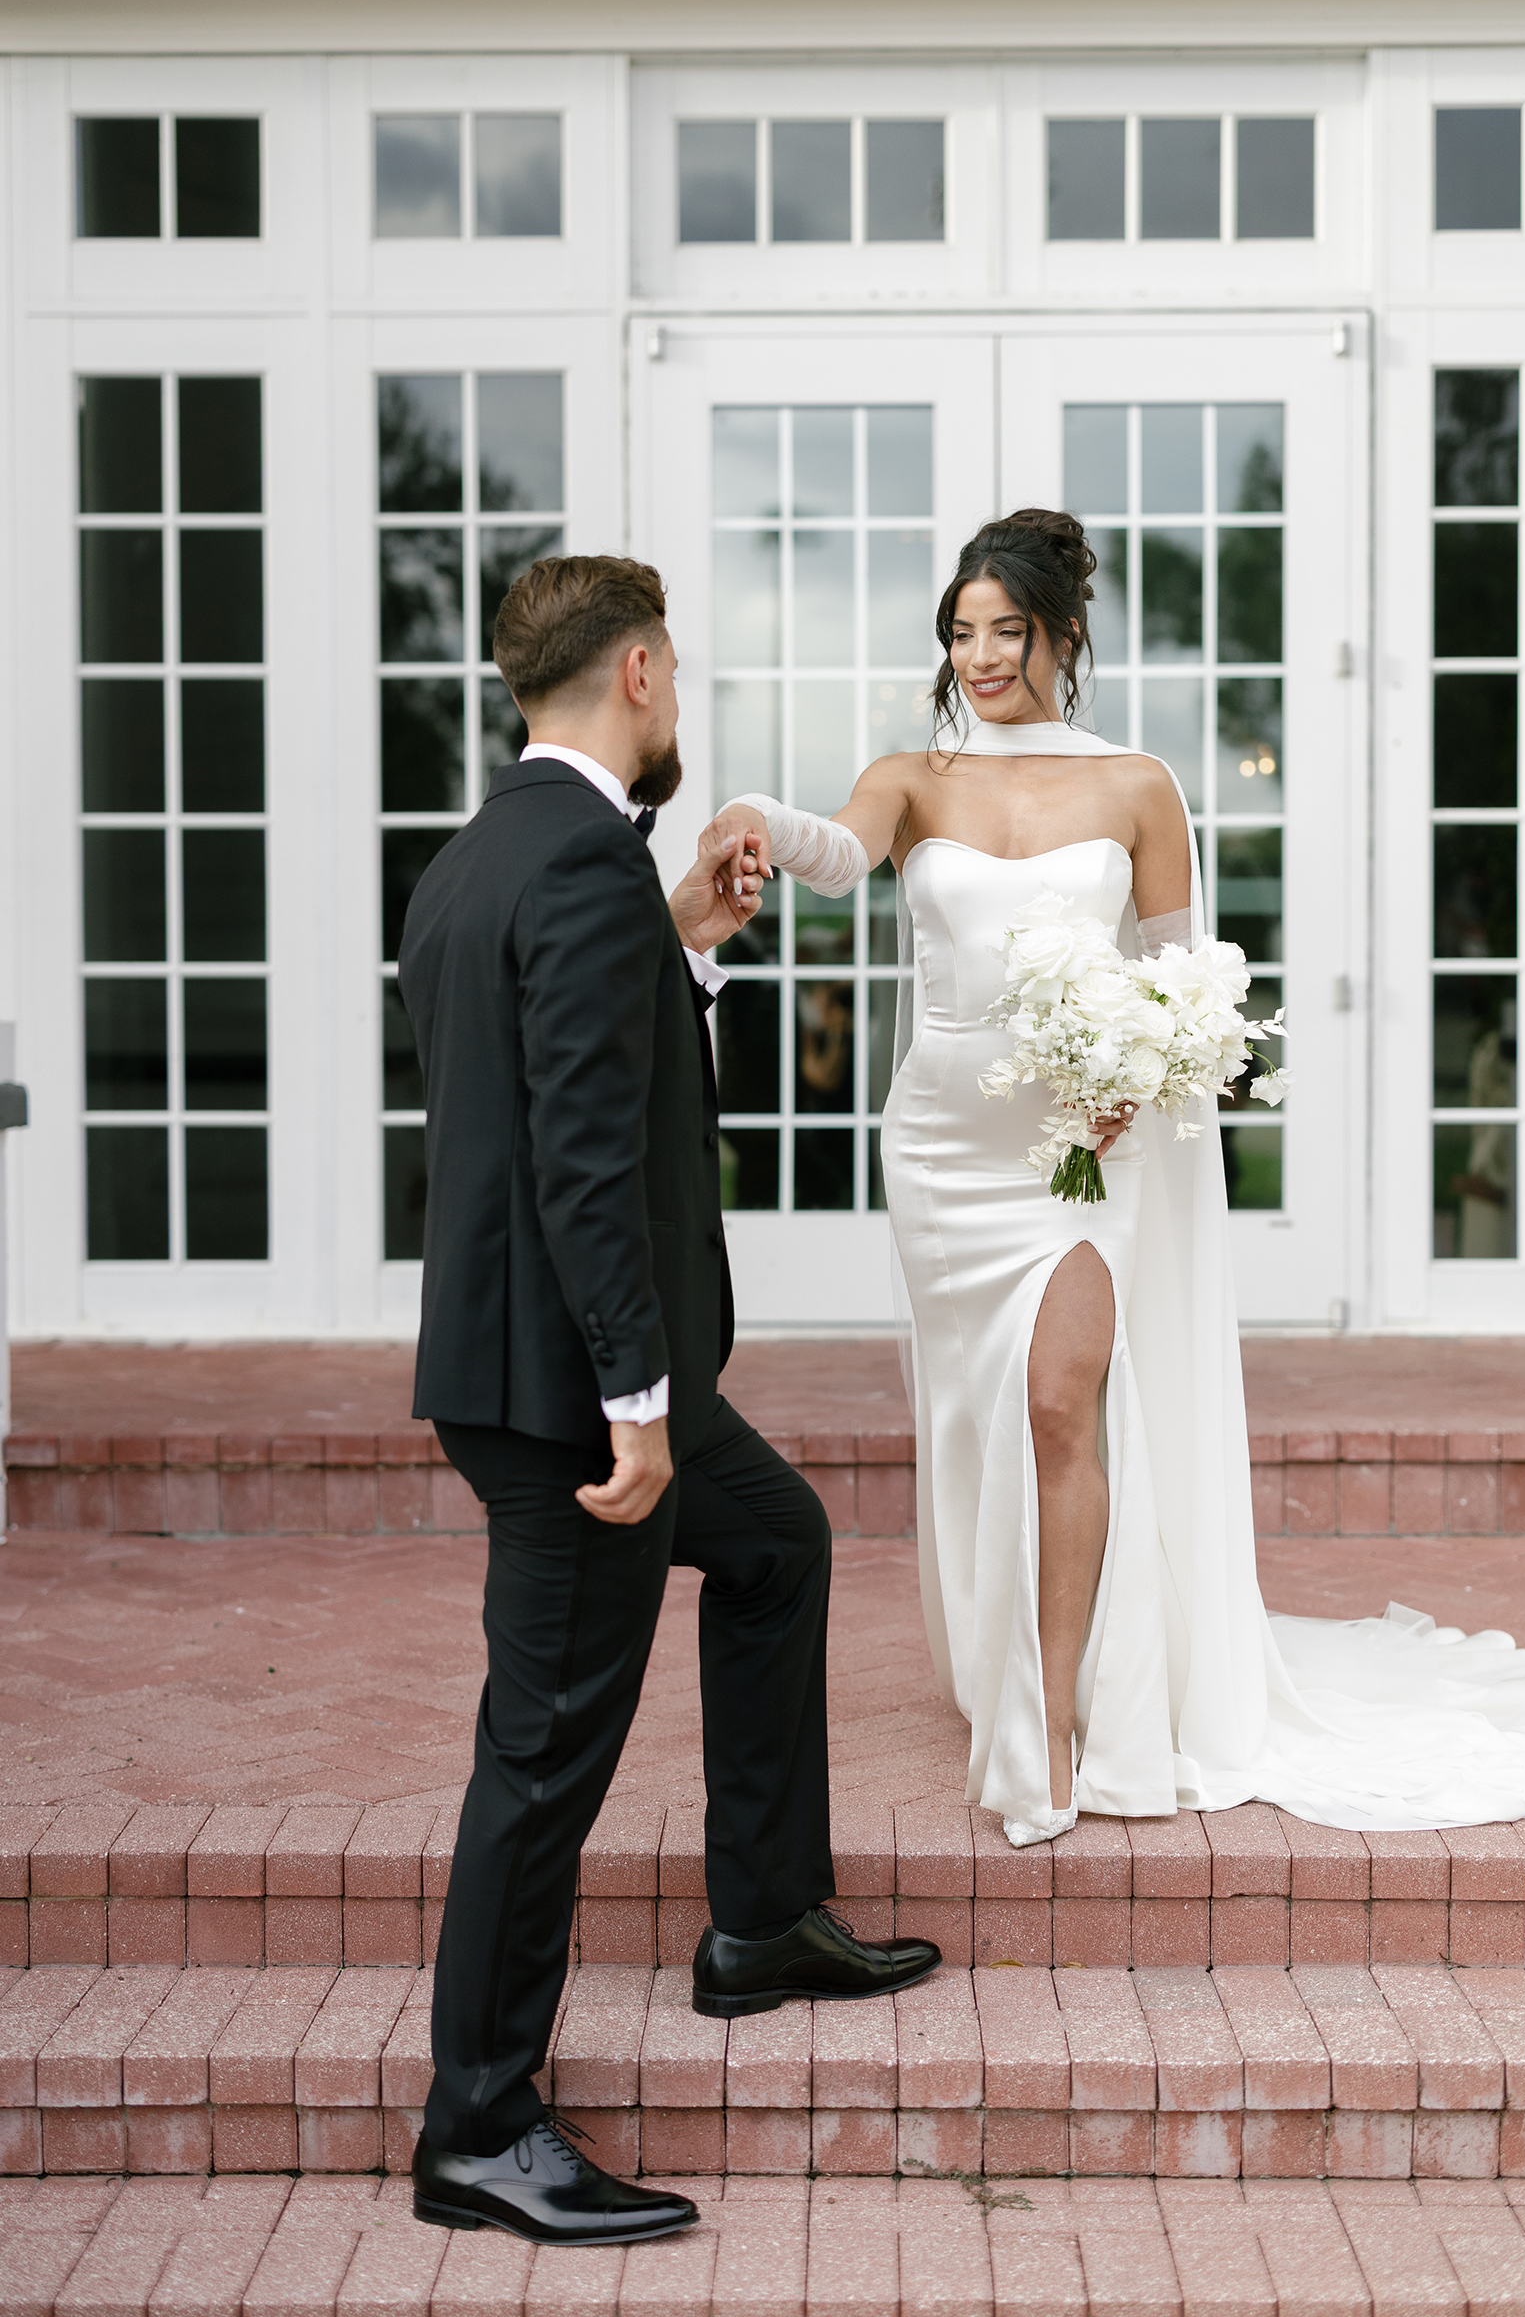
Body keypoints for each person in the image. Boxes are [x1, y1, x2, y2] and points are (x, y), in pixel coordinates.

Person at [712, 506, 1525, 1848]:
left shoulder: (1137, 786)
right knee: (978, 1420)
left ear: (1065, 635)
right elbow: (838, 853)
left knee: (1066, 1404)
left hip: (1083, 1148)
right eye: (964, 631)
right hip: (945, 1151)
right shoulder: (917, 776)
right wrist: (758, 819)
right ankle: (1004, 1655)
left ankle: (1062, 1720)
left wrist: (1150, 1071)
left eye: (1008, 629)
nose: (984, 653)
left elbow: (1191, 984)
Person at [398, 553, 939, 2249]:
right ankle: (479, 2129)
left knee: (776, 1540)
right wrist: (639, 1402)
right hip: (578, 1404)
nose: (681, 706)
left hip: (576, 1376)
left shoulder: (502, 856)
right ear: (637, 670)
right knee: (543, 1758)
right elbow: (577, 1161)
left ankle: (762, 1922)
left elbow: (582, 1071)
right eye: (681, 677)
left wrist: (688, 945)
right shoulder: (572, 861)